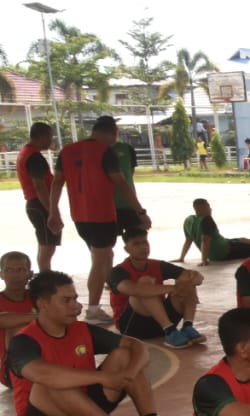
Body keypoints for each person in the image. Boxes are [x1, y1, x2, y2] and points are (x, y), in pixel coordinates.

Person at [8, 270, 187, 416]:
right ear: (42, 304)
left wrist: (130, 373)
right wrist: (103, 378)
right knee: (51, 382)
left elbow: (137, 345)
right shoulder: (23, 341)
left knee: (124, 355)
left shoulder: (81, 329)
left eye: (75, 299)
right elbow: (42, 374)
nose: (76, 306)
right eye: (66, 300)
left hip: (88, 415)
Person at [49, 116, 151, 323]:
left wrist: (53, 211)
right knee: (100, 260)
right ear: (112, 133)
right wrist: (140, 211)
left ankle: (110, 296)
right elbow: (122, 184)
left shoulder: (67, 151)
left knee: (103, 257)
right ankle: (93, 309)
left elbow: (57, 182)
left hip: (80, 216)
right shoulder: (105, 151)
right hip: (101, 215)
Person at [109, 227, 205, 349]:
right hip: (133, 327)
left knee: (186, 280)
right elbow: (132, 289)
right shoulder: (117, 271)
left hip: (160, 321)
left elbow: (198, 278)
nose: (142, 247)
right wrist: (173, 288)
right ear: (126, 249)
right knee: (144, 284)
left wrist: (192, 277)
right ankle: (169, 330)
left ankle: (187, 326)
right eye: (136, 244)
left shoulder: (157, 265)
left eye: (145, 242)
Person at [17, 122, 59, 272]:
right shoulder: (34, 157)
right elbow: (39, 187)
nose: (50, 141)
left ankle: (45, 273)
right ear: (42, 136)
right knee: (47, 245)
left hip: (35, 203)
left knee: (45, 243)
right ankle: (45, 276)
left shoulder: (26, 152)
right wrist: (52, 211)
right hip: (39, 203)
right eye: (50, 137)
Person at [177, 198, 250, 266]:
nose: (211, 209)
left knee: (242, 239)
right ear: (204, 207)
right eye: (208, 206)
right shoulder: (207, 220)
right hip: (222, 252)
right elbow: (205, 240)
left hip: (223, 243)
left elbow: (188, 240)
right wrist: (204, 260)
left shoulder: (188, 220)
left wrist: (181, 257)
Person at [1, 252, 35, 389]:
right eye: (9, 270)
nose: (15, 276)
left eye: (20, 270)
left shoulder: (38, 297)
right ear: (1, 274)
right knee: (16, 328)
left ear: (30, 274)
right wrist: (41, 317)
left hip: (44, 359)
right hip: (12, 368)